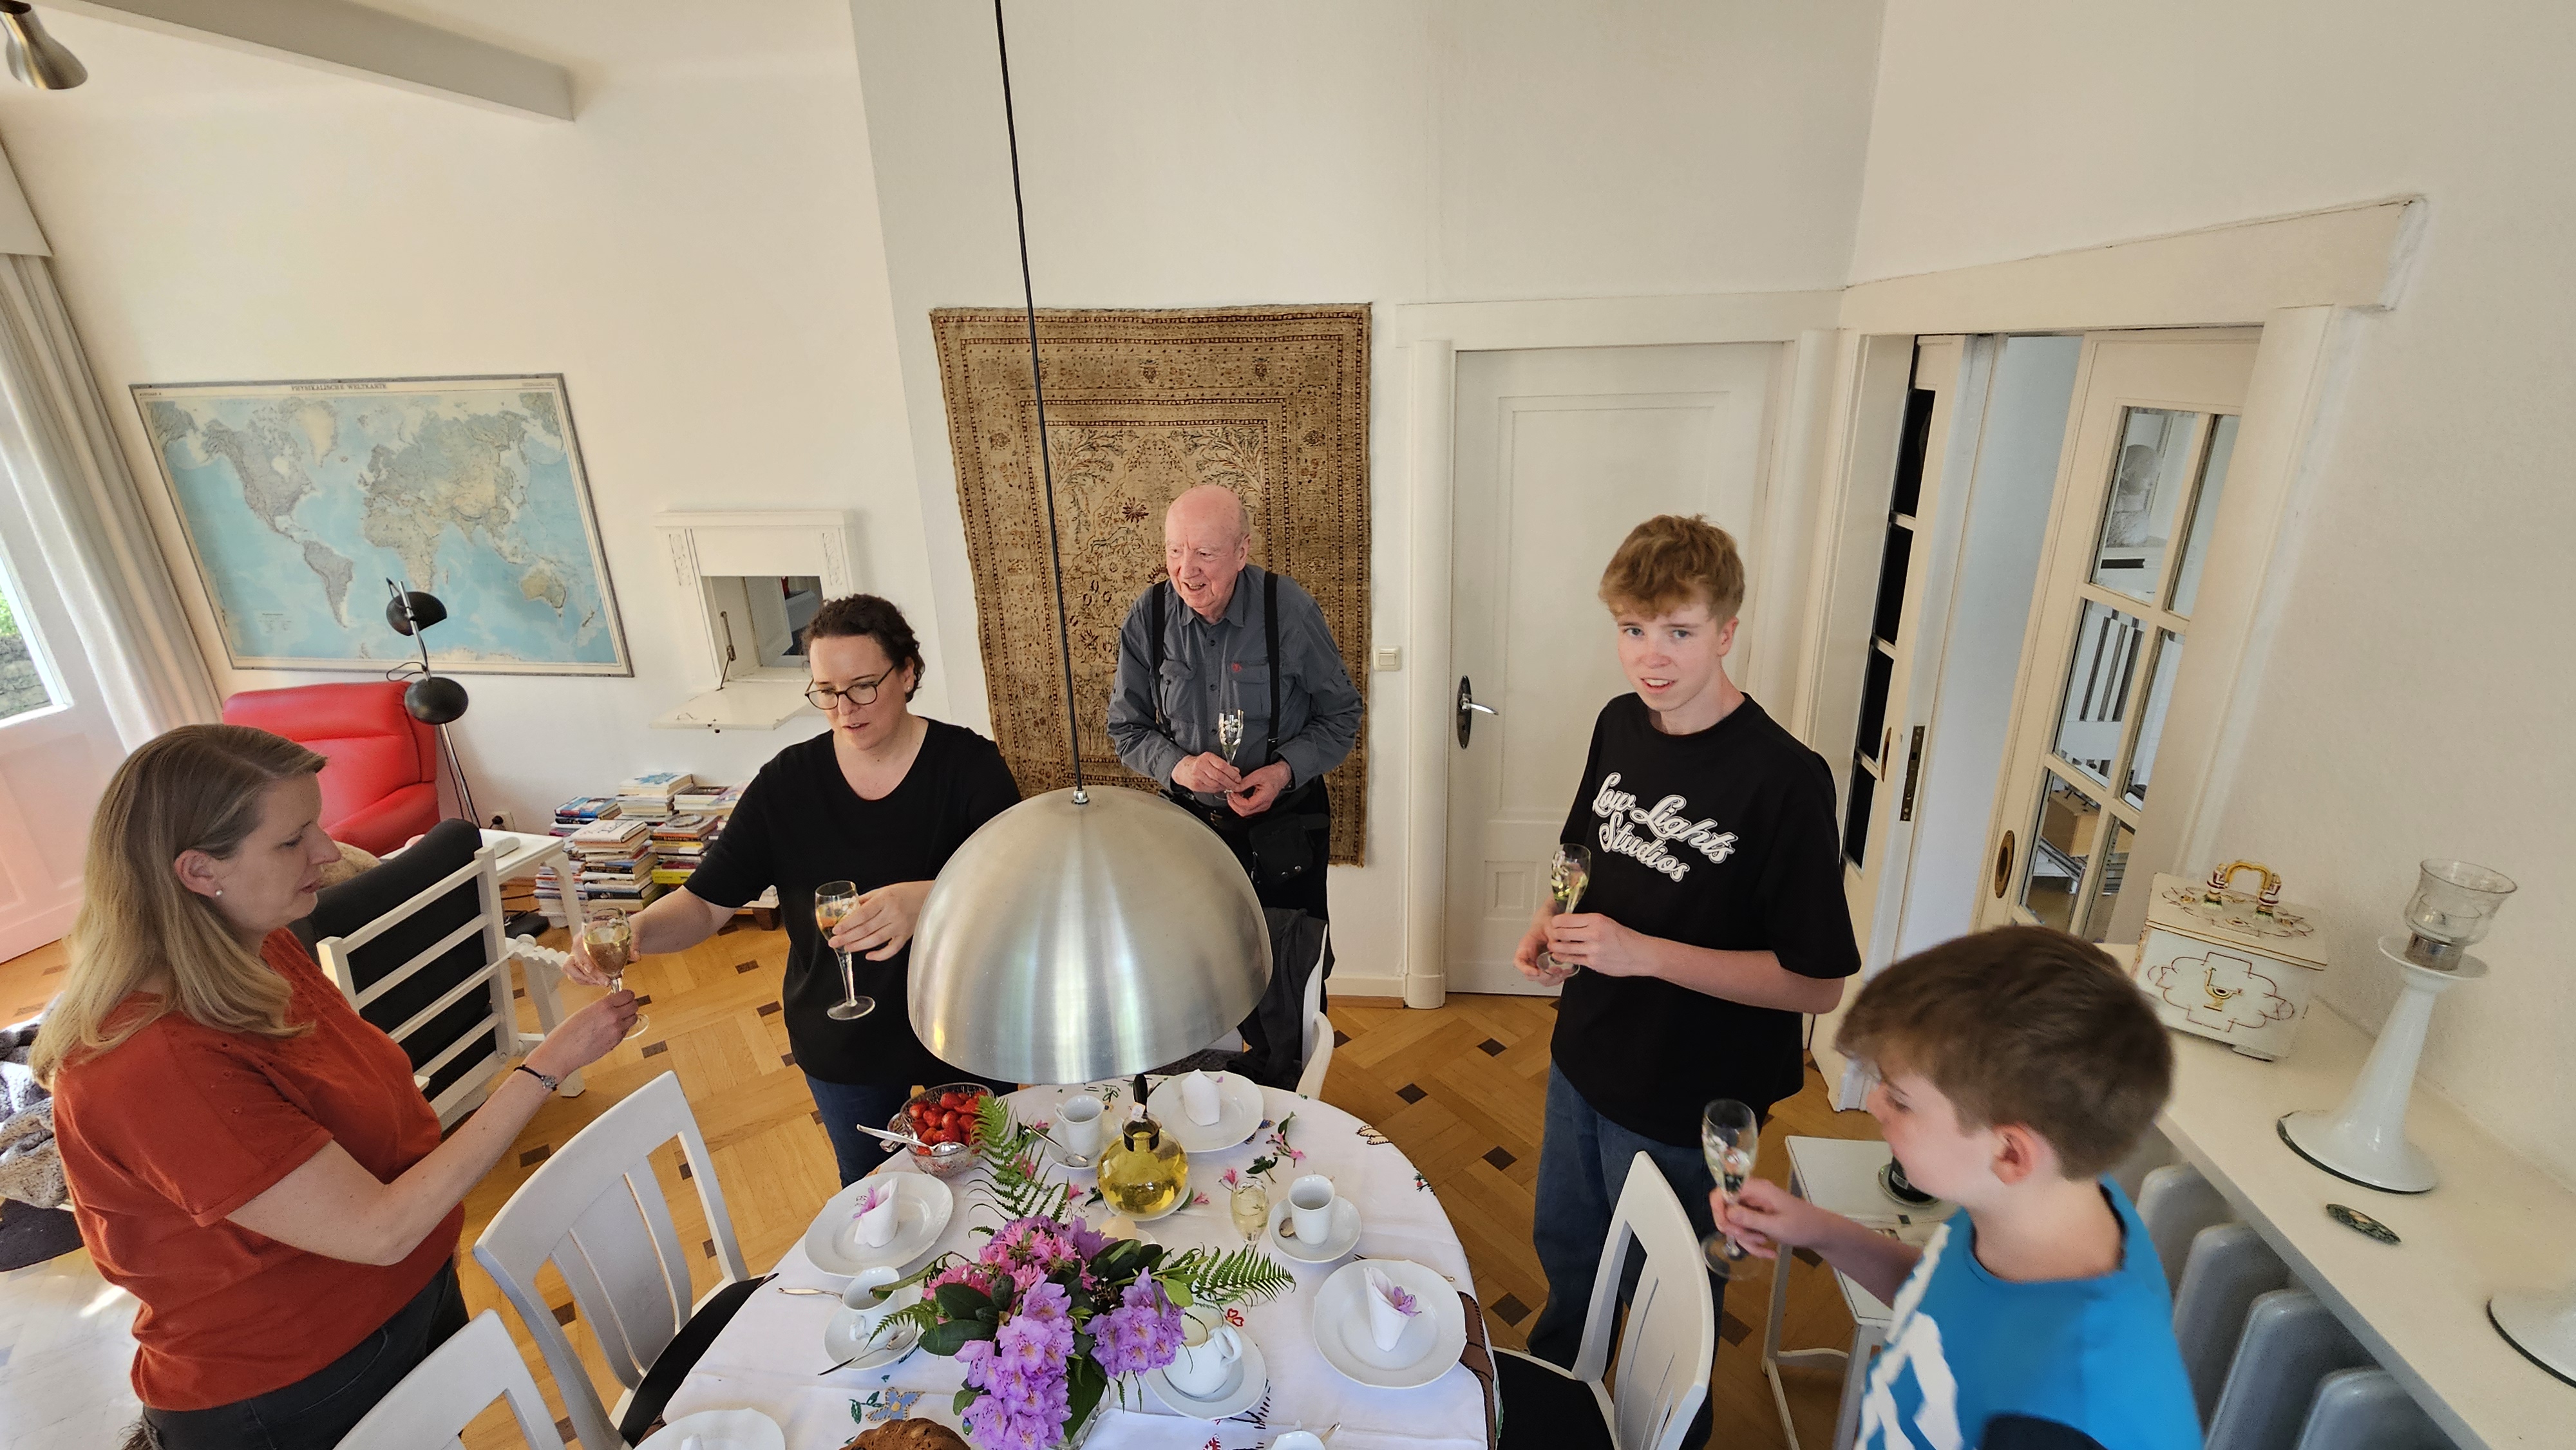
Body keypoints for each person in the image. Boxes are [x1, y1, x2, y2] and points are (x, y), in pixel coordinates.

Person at [35, 725, 636, 1450]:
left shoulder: (258, 947)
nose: (326, 851)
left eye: (315, 825)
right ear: (198, 871)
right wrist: (546, 1066)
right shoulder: (152, 1062)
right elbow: (377, 1230)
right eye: (292, 840)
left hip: (400, 1303)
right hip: (293, 1384)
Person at [1515, 514, 1859, 1433]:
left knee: (1674, 1312)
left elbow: (1817, 984)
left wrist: (1643, 954)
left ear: (1727, 631)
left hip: (1694, 1099)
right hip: (1585, 1058)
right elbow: (1581, 846)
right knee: (1570, 1257)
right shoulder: (1619, 722)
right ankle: (1557, 1405)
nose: (1651, 657)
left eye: (1679, 631)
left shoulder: (1786, 781)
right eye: (1633, 629)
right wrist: (1551, 914)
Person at [565, 593, 1019, 1186]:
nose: (844, 709)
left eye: (863, 687)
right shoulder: (787, 783)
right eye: (826, 691)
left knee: (996, 1189)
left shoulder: (969, 766)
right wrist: (635, 933)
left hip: (966, 1024)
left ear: (908, 674)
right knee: (872, 1201)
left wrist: (929, 899)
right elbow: (704, 904)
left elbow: (1019, 892)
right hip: (843, 1040)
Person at [1714, 927, 2199, 1450]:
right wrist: (1817, 1230)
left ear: (2010, 1153)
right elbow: (1943, 1300)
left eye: (1900, 1100)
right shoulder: (2035, 1204)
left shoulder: (2065, 1415)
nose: (1874, 1104)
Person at [1106, 484, 1362, 920]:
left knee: (1287, 954)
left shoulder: (1289, 612)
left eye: (1204, 554)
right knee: (1199, 955)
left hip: (1285, 826)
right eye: (1174, 551)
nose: (1186, 571)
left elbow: (1342, 714)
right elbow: (1126, 728)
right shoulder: (1148, 617)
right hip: (1191, 831)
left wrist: (1283, 772)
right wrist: (1179, 767)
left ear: (1242, 552)